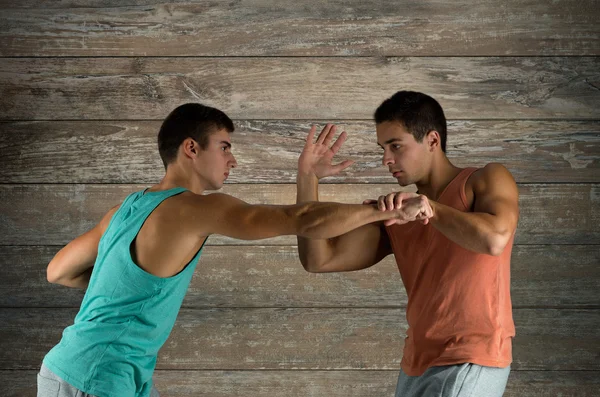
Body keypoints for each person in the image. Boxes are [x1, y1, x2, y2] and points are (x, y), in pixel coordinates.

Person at [37, 103, 433, 397]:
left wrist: (128, 288)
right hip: (98, 378)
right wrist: (385, 213)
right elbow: (304, 219)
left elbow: (59, 271)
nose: (233, 160)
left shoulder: (123, 209)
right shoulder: (196, 208)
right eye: (224, 147)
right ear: (191, 148)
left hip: (77, 369)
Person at [296, 91, 519, 397]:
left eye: (396, 146)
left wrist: (430, 208)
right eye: (383, 148)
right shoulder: (399, 214)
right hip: (416, 364)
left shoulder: (485, 179)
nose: (386, 159)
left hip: (472, 356)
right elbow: (318, 259)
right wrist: (308, 178)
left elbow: (495, 239)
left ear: (432, 141)